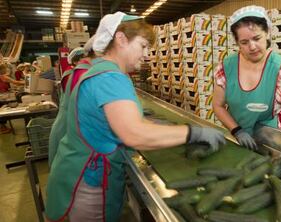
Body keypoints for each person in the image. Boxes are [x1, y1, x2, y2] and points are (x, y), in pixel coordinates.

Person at [45, 12, 226, 222]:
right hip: (89, 182)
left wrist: (160, 127)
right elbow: (134, 134)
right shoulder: (110, 77)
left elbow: (123, 121)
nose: (147, 54)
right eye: (142, 45)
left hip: (75, 171)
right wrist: (193, 133)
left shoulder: (100, 70)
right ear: (121, 39)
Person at [212, 5, 281, 170]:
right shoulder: (226, 68)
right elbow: (217, 105)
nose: (252, 47)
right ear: (237, 42)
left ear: (267, 34)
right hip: (238, 136)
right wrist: (236, 130)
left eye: (257, 38)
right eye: (244, 42)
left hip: (272, 139)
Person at [48, 37, 96, 166]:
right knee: (64, 162)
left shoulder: (78, 73)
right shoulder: (73, 74)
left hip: (72, 121)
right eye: (83, 59)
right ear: (75, 61)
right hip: (66, 124)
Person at [0, 63, 24, 133]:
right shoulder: (3, 77)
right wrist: (27, 82)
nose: (6, 69)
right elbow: (16, 82)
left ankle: (2, 126)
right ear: (1, 69)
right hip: (2, 98)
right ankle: (2, 127)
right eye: (4, 68)